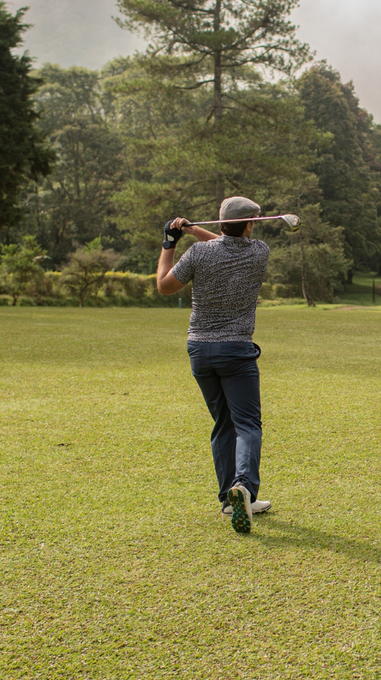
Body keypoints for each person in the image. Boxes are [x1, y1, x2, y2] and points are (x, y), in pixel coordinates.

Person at [156, 196, 272, 534]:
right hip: (235, 350)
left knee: (223, 423)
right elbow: (228, 244)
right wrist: (195, 232)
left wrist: (170, 243)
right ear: (250, 225)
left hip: (200, 351)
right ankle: (244, 488)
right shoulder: (258, 252)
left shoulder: (198, 253)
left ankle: (229, 500)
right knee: (248, 424)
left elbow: (164, 286)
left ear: (222, 223)